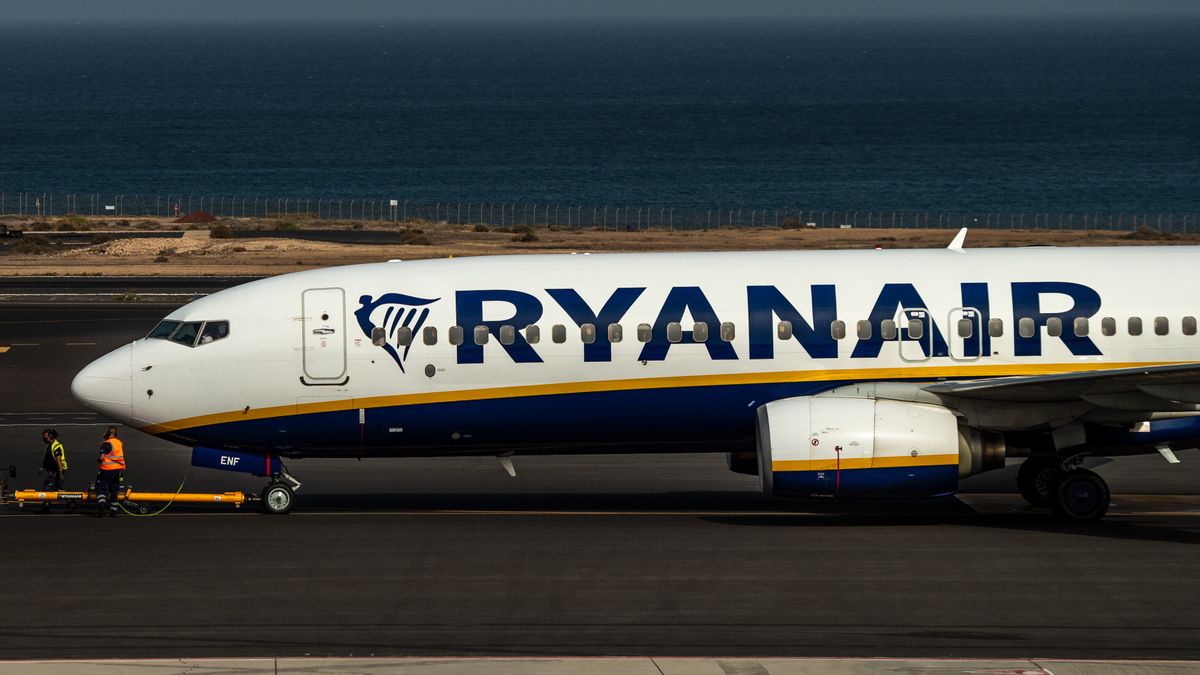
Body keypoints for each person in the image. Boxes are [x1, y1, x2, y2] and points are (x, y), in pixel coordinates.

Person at [95, 426, 125, 518]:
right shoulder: (119, 443)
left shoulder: (106, 443)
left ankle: (102, 504)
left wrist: (99, 460)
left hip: (106, 470)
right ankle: (113, 511)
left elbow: (102, 457)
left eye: (108, 432)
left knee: (100, 487)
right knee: (114, 490)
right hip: (117, 470)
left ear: (111, 433)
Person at [39, 429, 68, 513]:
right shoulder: (51, 445)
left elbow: (58, 459)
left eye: (45, 437)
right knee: (57, 489)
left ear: (50, 436)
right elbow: (48, 458)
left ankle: (46, 507)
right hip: (52, 471)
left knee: (49, 489)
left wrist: (60, 473)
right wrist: (43, 467)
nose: (44, 439)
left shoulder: (56, 446)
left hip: (55, 472)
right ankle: (70, 503)